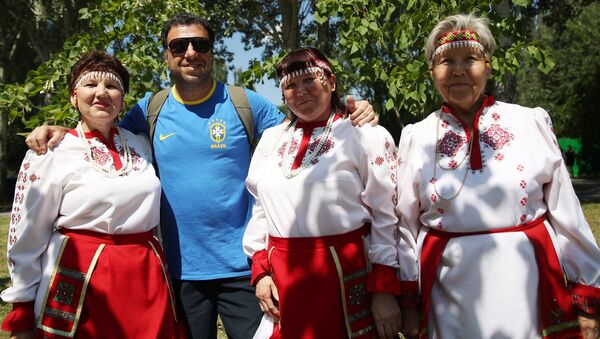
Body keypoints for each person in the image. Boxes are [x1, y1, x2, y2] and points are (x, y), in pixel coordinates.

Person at [24, 13, 377, 339]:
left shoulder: (245, 102)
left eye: (201, 44)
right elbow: (103, 124)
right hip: (179, 272)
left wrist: (351, 107)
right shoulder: (149, 109)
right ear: (167, 55)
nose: (191, 53)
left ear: (212, 51)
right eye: (179, 46)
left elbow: (303, 121)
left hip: (243, 270)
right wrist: (59, 129)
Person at [393, 13, 600, 338]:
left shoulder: (528, 122)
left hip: (528, 284)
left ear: (487, 66)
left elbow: (567, 214)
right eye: (447, 61)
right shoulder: (416, 137)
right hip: (449, 293)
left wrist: (587, 294)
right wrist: (408, 301)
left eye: (470, 59)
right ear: (433, 72)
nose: (458, 70)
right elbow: (404, 226)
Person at [1, 51, 181, 338]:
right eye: (90, 85)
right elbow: (28, 231)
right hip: (82, 277)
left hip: (144, 276)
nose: (101, 93)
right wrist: (22, 303)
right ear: (74, 97)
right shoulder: (52, 151)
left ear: (122, 100)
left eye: (112, 86)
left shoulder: (140, 144)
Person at [242, 47, 401, 339]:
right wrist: (261, 272)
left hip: (343, 277)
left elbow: (386, 214)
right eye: (291, 85)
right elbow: (261, 209)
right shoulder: (272, 140)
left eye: (309, 81)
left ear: (331, 82)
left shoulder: (363, 135)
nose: (300, 91)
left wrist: (383, 289)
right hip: (285, 279)